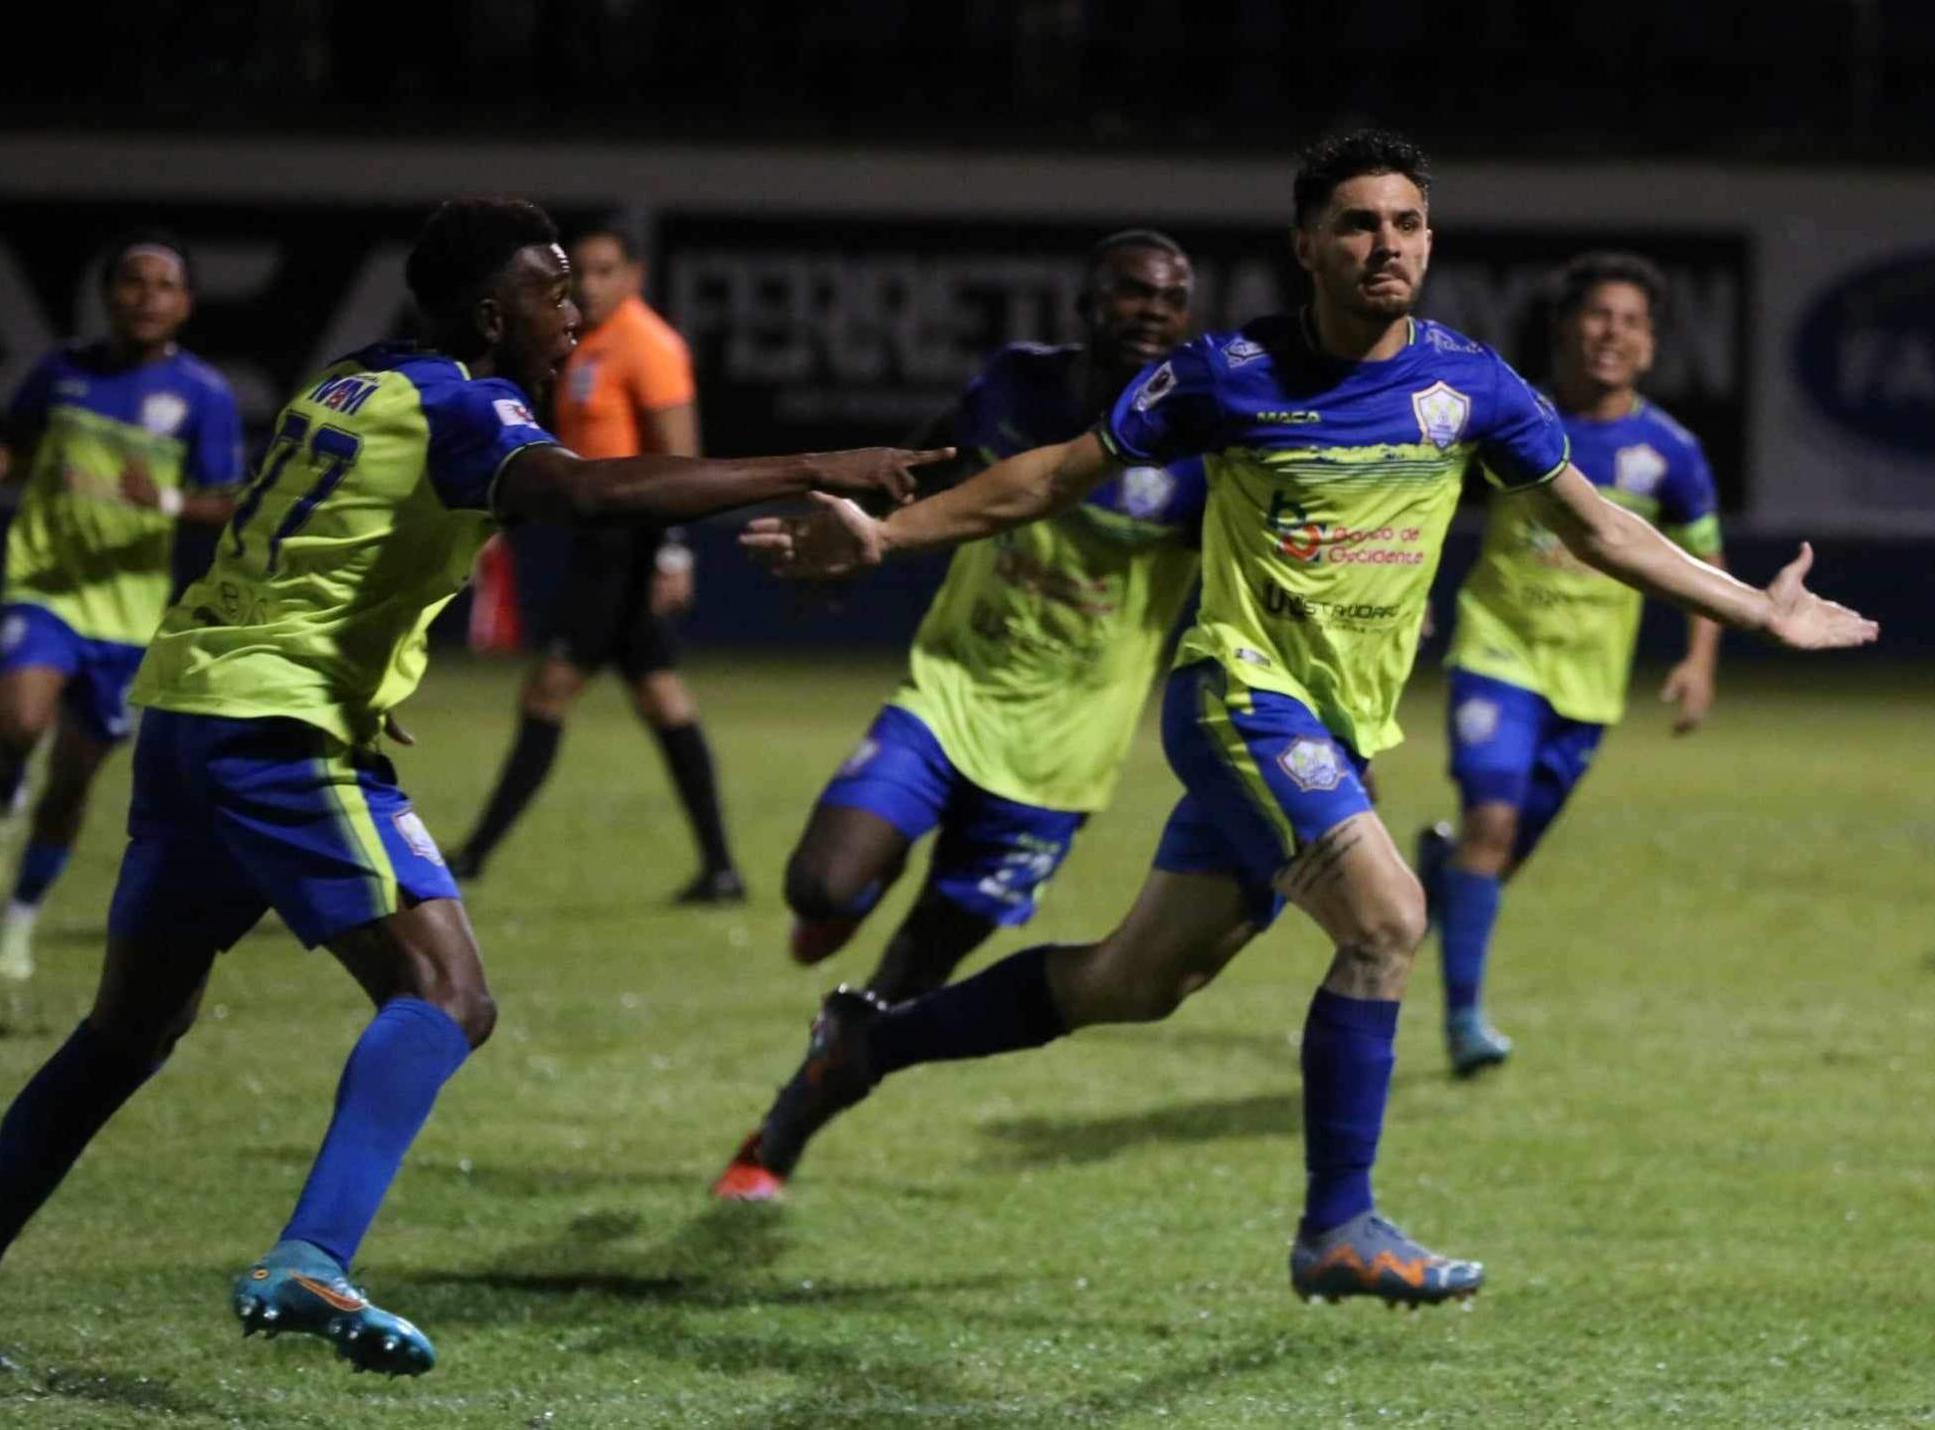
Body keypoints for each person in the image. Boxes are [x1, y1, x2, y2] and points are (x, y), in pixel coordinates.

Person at [733, 130, 1876, 1308]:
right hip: (1236, 695)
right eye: (1356, 223)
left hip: (1335, 730)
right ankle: (1339, 1222)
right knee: (1386, 919)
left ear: (1427, 241)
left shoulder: (1468, 384)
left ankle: (868, 1041)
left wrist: (1751, 609)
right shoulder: (1226, 375)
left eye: (1405, 224)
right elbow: (1045, 475)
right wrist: (885, 533)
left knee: (1129, 982)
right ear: (1305, 245)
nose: (1384, 244)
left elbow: (1600, 526)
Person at [0, 198, 942, 1379]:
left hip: (194, 710)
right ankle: (308, 1252)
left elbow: (304, 539)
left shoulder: (351, 380)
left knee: (128, 1029)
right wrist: (816, 463)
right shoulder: (467, 399)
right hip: (278, 728)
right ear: (487, 311)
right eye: (552, 291)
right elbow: (583, 495)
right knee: (447, 990)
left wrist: (364, 664)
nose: (572, 312)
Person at [714, 229, 1207, 1201]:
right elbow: (927, 463)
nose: (1149, 308)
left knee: (901, 987)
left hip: (1061, 759)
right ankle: (842, 901)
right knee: (818, 883)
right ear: (1085, 302)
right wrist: (842, 541)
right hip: (950, 691)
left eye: (1169, 296)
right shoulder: (1017, 387)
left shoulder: (1201, 443)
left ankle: (769, 1144)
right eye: (1129, 291)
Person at [1420, 252, 1725, 1076]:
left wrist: (1700, 661)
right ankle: (1464, 1025)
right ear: (1564, 330)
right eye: (1598, 316)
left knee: (1500, 853)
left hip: (1589, 683)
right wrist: (1408, 589)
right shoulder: (1516, 417)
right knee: (1490, 824)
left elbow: (1704, 561)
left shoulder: (1670, 454)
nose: (1611, 334)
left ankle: (1434, 874)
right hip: (1498, 652)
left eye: (1631, 322)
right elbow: (1425, 498)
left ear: (1651, 345)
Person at [0, 232, 243, 984]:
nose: (146, 296)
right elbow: (12, 438)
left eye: (163, 285)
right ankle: (0, 806)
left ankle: (18, 922)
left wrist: (164, 499)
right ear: (108, 295)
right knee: (18, 721)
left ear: (186, 303)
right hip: (45, 586)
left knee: (75, 780)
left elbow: (229, 502)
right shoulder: (64, 371)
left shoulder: (202, 394)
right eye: (132, 282)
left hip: (129, 614)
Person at [454, 219, 744, 902]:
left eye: (605, 270)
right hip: (599, 533)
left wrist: (675, 551)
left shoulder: (649, 345)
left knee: (550, 688)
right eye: (578, 271)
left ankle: (474, 854)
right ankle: (721, 869)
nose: (588, 283)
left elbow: (681, 455)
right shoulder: (587, 342)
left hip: (629, 539)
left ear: (635, 276)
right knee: (659, 694)